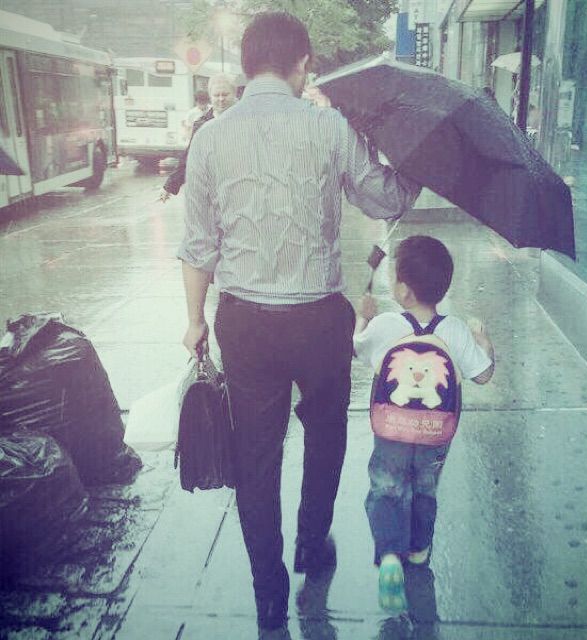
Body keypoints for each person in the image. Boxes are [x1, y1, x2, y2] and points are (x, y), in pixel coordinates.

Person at [178, 11, 421, 636]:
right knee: (324, 434)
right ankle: (313, 542)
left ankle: (268, 593)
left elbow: (198, 246)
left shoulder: (209, 138)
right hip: (318, 321)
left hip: (244, 323)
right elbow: (387, 199)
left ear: (245, 65)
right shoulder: (330, 128)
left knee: (255, 455)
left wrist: (194, 321)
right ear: (302, 64)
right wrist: (410, 154)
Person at [353, 235, 495, 615]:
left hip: (391, 429)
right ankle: (417, 550)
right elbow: (484, 375)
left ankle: (389, 556)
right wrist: (484, 342)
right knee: (424, 488)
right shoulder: (455, 330)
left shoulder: (385, 325)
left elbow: (356, 347)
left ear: (402, 290)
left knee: (387, 487)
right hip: (435, 434)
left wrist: (363, 317)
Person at [159, 73, 237, 201]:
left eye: (225, 94)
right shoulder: (201, 125)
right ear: (210, 97)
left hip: (240, 191)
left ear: (234, 94)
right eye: (216, 95)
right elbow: (189, 158)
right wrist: (169, 186)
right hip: (212, 192)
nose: (221, 99)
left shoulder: (247, 121)